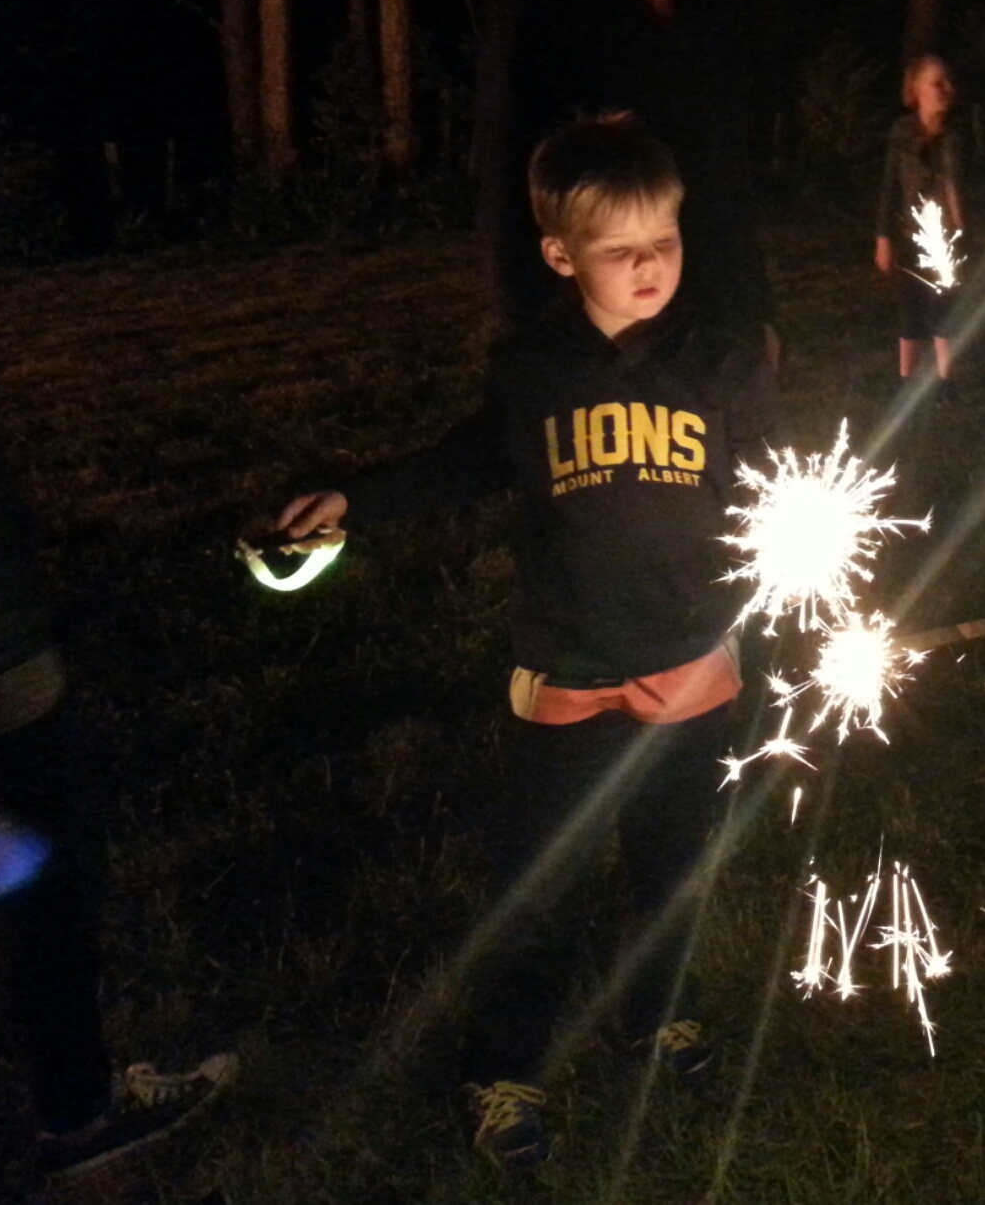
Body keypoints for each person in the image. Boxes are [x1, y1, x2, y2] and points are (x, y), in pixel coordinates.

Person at [274, 115, 777, 1170]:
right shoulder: (535, 370)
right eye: (619, 249)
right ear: (560, 255)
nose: (649, 266)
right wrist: (357, 499)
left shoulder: (722, 362)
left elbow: (773, 488)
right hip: (571, 673)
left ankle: (660, 1012)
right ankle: (503, 1067)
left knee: (673, 867)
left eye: (665, 241)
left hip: (693, 670)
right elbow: (471, 460)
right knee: (541, 885)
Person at [0, 408, 235, 1182]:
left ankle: (76, 1102)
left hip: (13, 673)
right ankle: (75, 1118)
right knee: (45, 901)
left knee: (51, 895)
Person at [475, 0, 775, 359]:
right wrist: (552, 349)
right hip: (606, 351)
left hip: (713, 341)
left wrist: (755, 317)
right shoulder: (548, 12)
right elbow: (513, 201)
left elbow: (723, 186)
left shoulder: (706, 14)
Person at [874, 55, 966, 384]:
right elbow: (890, 186)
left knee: (944, 307)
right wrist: (883, 238)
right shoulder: (902, 133)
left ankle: (946, 383)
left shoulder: (956, 135)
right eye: (937, 83)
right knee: (911, 307)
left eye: (948, 82)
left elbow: (961, 188)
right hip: (909, 235)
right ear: (917, 91)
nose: (947, 89)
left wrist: (964, 237)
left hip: (948, 238)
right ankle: (905, 381)